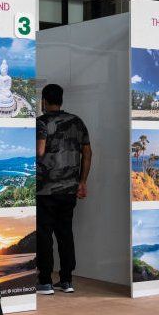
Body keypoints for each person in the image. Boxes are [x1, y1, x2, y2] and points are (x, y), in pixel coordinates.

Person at [36, 83, 91, 295]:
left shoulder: (41, 122)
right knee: (65, 233)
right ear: (61, 100)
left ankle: (45, 281)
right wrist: (83, 181)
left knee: (44, 235)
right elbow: (88, 153)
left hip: (45, 190)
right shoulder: (78, 122)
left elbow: (40, 151)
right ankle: (67, 280)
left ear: (44, 101)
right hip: (69, 189)